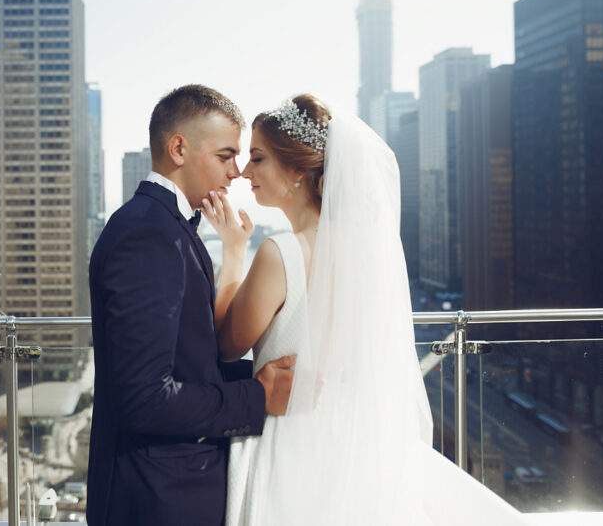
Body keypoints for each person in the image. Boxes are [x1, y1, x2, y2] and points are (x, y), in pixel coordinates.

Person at [202, 94, 527, 524]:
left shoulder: (279, 253)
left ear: (298, 170)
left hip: (289, 435)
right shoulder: (369, 254)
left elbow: (226, 346)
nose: (244, 172)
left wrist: (234, 249)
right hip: (354, 436)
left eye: (258, 159)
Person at [86, 84, 297, 526]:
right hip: (158, 499)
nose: (236, 172)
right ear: (179, 148)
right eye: (225, 156)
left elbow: (190, 360)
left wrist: (267, 367)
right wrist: (256, 396)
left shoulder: (162, 226)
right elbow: (144, 397)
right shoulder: (148, 235)